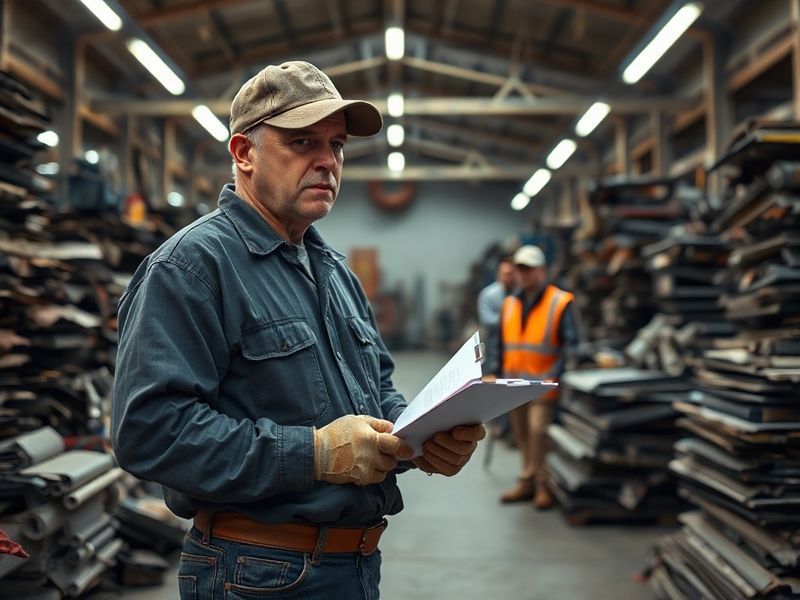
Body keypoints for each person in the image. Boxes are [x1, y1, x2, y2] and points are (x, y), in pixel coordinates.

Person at [111, 60, 485, 599]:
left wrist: (421, 438)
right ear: (243, 154)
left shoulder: (333, 273)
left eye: (336, 145)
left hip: (353, 566)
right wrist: (314, 452)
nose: (326, 161)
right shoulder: (191, 268)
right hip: (256, 572)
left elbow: (377, 390)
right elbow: (150, 433)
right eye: (303, 142)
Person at [498, 245, 578, 509]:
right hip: (514, 383)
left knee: (538, 432)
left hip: (543, 385)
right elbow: (502, 342)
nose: (523, 274)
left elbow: (571, 344)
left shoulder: (559, 301)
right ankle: (527, 481)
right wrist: (494, 372)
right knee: (521, 434)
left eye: (529, 269)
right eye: (520, 268)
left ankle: (544, 485)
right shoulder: (510, 303)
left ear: (542, 270)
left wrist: (556, 375)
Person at [476, 259, 515, 377]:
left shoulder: (520, 292)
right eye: (506, 274)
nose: (509, 277)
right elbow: (486, 318)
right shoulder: (488, 294)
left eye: (511, 274)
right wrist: (510, 321)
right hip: (494, 342)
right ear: (499, 275)